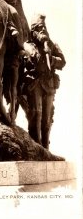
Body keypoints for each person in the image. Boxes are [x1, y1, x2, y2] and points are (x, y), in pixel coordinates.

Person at [21, 14, 66, 149]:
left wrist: (51, 58)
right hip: (34, 83)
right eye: (39, 28)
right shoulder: (27, 46)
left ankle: (45, 148)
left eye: (44, 28)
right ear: (33, 30)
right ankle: (37, 147)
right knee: (36, 114)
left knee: (47, 118)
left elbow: (63, 62)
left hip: (49, 84)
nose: (42, 31)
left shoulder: (52, 45)